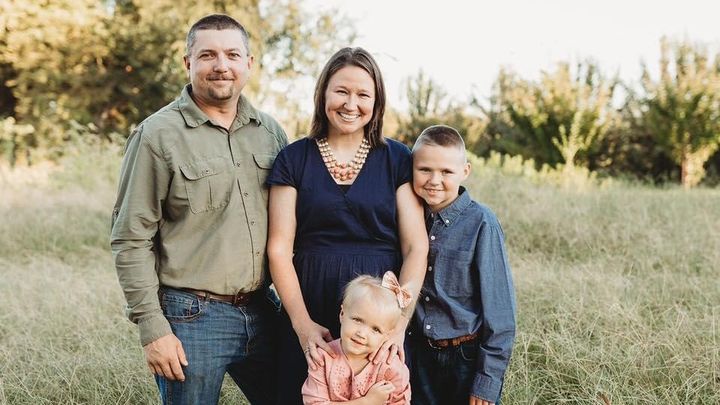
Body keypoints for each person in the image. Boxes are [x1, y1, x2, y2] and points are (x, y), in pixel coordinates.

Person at [109, 14, 287, 405]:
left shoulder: (270, 132)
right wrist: (153, 328)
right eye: (208, 55)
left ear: (248, 63)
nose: (221, 65)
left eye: (232, 55)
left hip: (264, 309)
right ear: (188, 62)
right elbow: (130, 237)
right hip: (192, 317)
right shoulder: (157, 135)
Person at [266, 47, 428, 404]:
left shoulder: (397, 158)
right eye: (341, 91)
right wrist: (302, 325)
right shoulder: (293, 159)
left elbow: (416, 247)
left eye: (363, 95)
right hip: (308, 303)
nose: (351, 104)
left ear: (377, 101)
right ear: (323, 93)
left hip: (377, 318)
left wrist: (397, 325)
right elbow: (278, 249)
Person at [407, 125, 516, 405]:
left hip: (464, 357)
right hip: (418, 354)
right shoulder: (409, 217)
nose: (434, 180)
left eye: (446, 172)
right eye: (424, 169)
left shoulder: (481, 223)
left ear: (465, 171)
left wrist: (486, 382)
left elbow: (500, 312)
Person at [302, 272, 411, 405]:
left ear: (388, 335)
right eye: (357, 320)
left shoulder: (391, 367)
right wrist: (367, 402)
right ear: (342, 314)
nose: (362, 334)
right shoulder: (322, 359)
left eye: (376, 329)